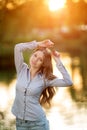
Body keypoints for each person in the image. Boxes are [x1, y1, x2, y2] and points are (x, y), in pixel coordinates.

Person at [11, 40, 73, 130]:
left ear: (43, 64)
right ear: (32, 55)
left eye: (40, 60)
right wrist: (38, 44)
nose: (35, 60)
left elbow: (68, 82)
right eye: (35, 55)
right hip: (20, 123)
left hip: (38, 124)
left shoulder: (46, 79)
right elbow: (18, 47)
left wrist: (58, 61)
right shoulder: (21, 69)